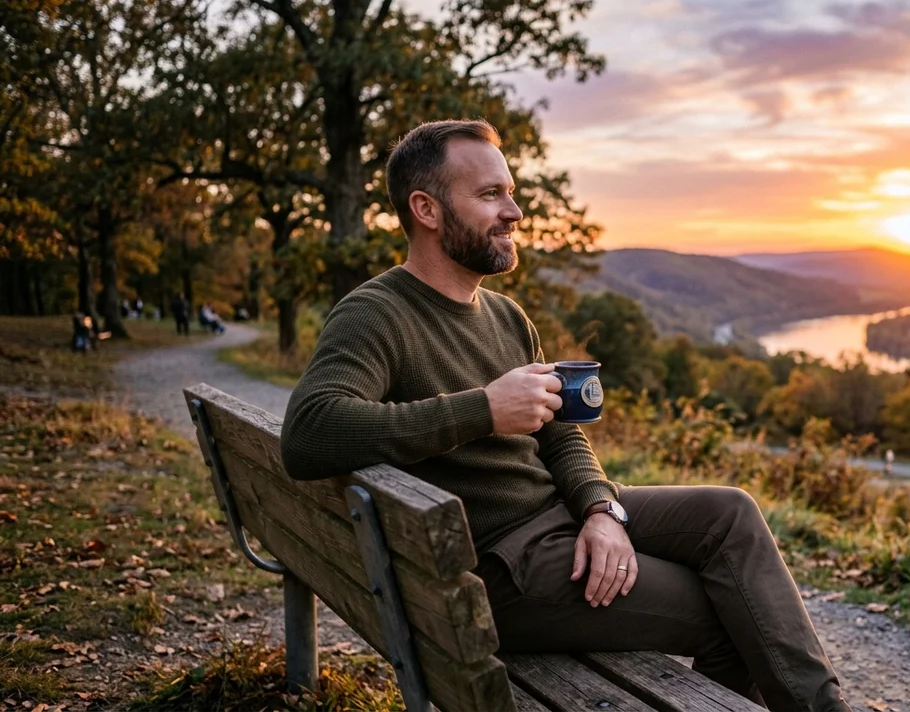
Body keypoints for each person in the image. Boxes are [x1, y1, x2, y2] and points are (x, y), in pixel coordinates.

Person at [280, 120, 850, 712]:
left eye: (510, 192)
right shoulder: (375, 314)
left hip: (553, 517)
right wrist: (484, 409)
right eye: (490, 195)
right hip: (500, 564)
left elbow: (561, 434)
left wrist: (601, 510)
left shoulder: (505, 316)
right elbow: (310, 432)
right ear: (426, 209)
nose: (515, 212)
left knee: (729, 513)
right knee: (737, 611)